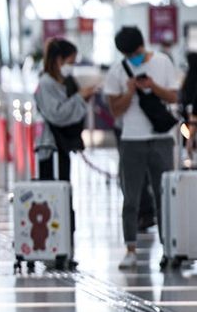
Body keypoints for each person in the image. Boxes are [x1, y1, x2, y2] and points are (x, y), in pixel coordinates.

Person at [103, 26, 179, 269]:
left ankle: (169, 249)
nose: (131, 58)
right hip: (131, 139)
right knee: (131, 197)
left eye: (134, 53)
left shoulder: (162, 62)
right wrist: (130, 91)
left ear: (141, 45)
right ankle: (130, 248)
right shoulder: (117, 71)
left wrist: (152, 87)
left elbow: (174, 97)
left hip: (161, 138)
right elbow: (115, 111)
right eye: (127, 55)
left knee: (163, 195)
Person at [34, 38, 97, 181]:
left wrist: (82, 99)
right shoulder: (46, 83)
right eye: (71, 62)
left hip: (63, 143)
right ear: (58, 60)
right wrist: (79, 97)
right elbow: (57, 114)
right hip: (50, 145)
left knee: (64, 187)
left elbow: (69, 110)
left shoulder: (65, 81)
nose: (73, 66)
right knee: (53, 190)